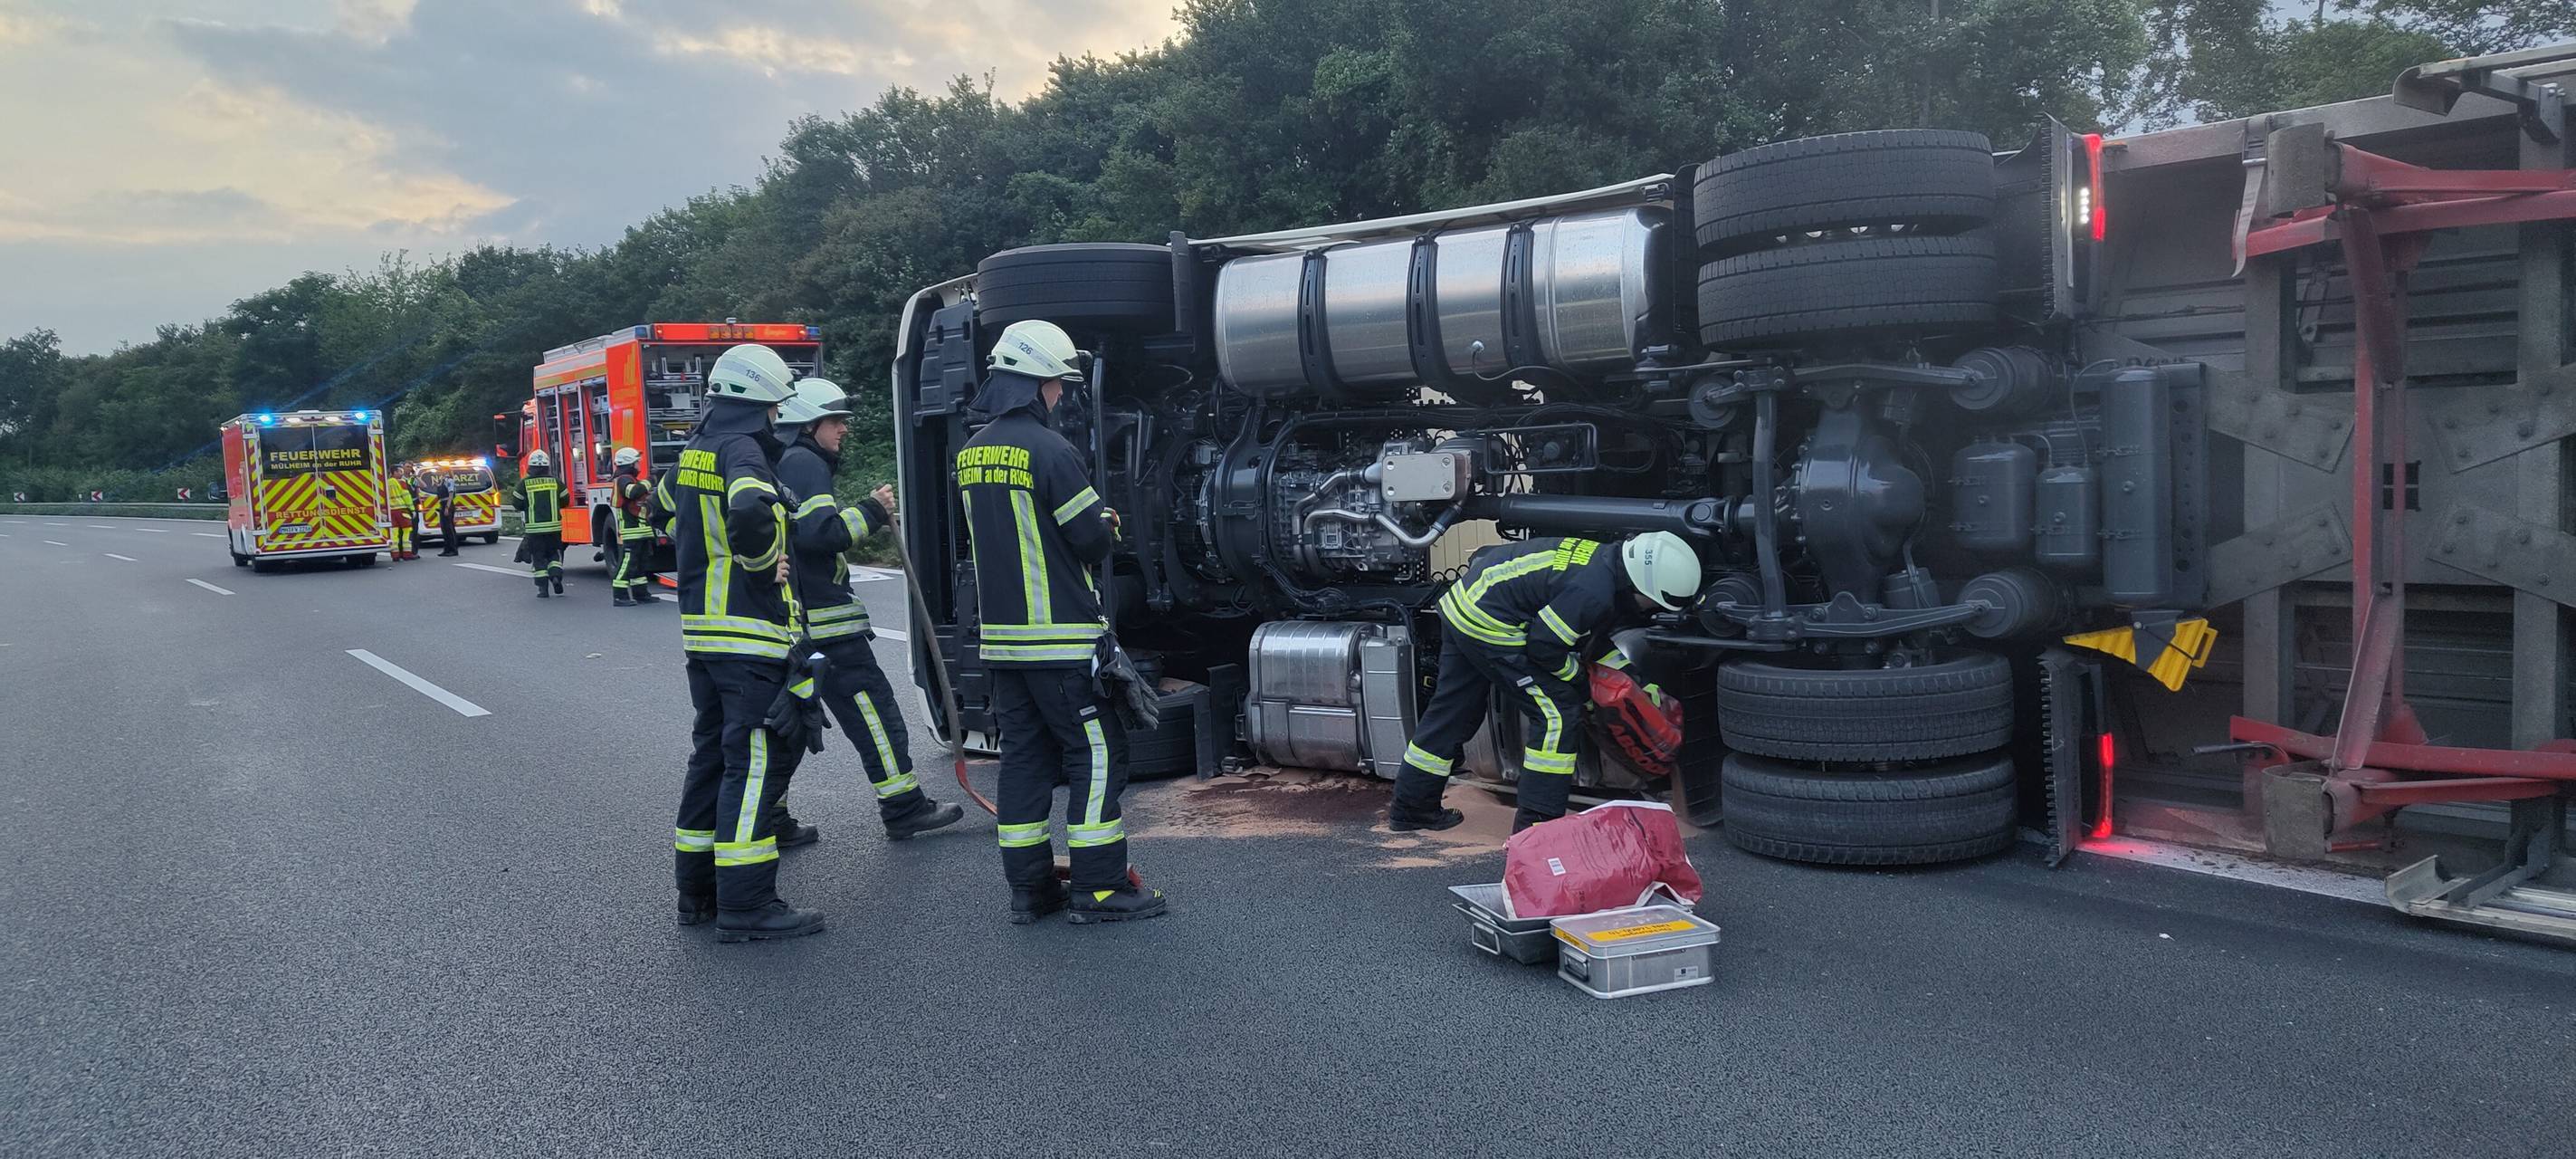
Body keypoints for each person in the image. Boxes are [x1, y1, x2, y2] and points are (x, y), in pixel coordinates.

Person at [958, 320, 1166, 925]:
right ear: (1039, 384)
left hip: (1004, 645)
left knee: (1024, 761)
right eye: (1057, 385)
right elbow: (1088, 539)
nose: (1059, 396)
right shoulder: (1050, 451)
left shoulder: (971, 455)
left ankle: (1031, 890)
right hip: (1061, 640)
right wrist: (1107, 523)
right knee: (1097, 755)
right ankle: (1100, 889)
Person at [1387, 531, 1703, 833]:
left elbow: (1593, 642)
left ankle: (1412, 807)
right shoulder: (1594, 592)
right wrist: (1579, 681)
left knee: (1453, 711)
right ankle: (1537, 827)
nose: (1651, 610)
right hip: (1489, 622)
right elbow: (1544, 648)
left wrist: (1636, 682)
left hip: (1463, 604)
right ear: (1644, 588)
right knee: (1558, 715)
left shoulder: (1604, 562)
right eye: (1654, 603)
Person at [668, 343, 824, 942]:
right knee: (755, 762)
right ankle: (747, 902)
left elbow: (662, 510)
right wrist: (760, 568)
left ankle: (698, 894)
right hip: (749, 636)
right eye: (775, 407)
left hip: (704, 636)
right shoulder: (742, 449)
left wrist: (717, 556)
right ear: (760, 402)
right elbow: (752, 511)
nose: (777, 417)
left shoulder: (696, 449)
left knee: (710, 759)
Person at [773, 378, 966, 846]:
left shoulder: (779, 461)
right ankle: (904, 807)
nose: (844, 429)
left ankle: (769, 817)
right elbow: (820, 534)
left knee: (787, 725)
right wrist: (873, 509)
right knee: (873, 711)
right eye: (836, 420)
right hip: (828, 629)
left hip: (794, 625)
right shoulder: (803, 462)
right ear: (808, 424)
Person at [608, 447, 660, 606]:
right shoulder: (624, 479)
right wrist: (650, 480)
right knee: (627, 563)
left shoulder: (630, 479)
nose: (639, 465)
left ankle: (641, 594)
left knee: (640, 564)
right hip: (632, 531)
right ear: (630, 463)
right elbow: (632, 492)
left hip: (641, 530)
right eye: (637, 462)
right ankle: (620, 596)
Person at [517, 450, 567, 598]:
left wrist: (527, 506)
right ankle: (556, 576)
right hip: (554, 529)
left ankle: (543, 590)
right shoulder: (556, 482)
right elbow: (565, 500)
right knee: (554, 555)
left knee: (538, 558)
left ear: (530, 466)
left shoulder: (524, 484)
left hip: (534, 530)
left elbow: (516, 503)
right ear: (547, 466)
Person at [386, 471, 416, 560]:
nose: (401, 473)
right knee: (407, 531)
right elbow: (406, 496)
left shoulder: (386, 482)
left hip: (391, 511)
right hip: (402, 510)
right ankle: (407, 554)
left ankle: (395, 555)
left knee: (394, 534)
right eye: (399, 471)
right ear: (394, 472)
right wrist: (412, 509)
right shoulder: (401, 482)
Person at [434, 474, 460, 557]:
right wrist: (438, 485)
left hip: (447, 504)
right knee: (444, 528)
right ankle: (447, 549)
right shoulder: (442, 481)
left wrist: (447, 507)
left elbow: (451, 495)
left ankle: (453, 549)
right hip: (442, 504)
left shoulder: (449, 481)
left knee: (449, 528)